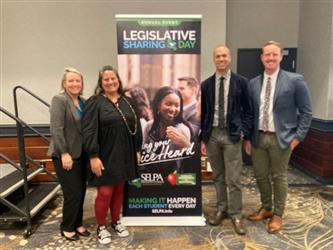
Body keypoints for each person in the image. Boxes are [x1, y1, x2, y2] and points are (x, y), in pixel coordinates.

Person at [245, 41, 312, 233]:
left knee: (279, 176)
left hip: (281, 139)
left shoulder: (295, 80)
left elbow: (307, 112)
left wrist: (298, 138)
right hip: (258, 138)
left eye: (275, 54)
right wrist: (248, 138)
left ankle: (278, 215)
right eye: (267, 54)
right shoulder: (253, 83)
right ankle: (266, 208)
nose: (271, 58)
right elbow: (250, 113)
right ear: (262, 58)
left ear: (281, 57)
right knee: (259, 175)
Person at [82, 65, 142, 245]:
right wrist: (93, 155)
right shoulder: (94, 102)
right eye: (106, 79)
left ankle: (116, 222)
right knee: (105, 192)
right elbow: (89, 130)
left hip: (125, 154)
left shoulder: (127, 101)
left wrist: (137, 149)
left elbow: (136, 126)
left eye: (113, 78)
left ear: (118, 80)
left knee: (119, 190)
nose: (110, 82)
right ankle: (101, 226)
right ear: (101, 83)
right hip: (104, 154)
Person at [200, 45, 253, 235]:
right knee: (218, 175)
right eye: (218, 56)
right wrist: (202, 139)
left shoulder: (241, 82)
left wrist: (244, 133)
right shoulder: (206, 84)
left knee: (234, 178)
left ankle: (236, 214)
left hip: (232, 135)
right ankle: (222, 209)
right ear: (214, 59)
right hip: (212, 134)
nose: (221, 59)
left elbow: (248, 111)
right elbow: (204, 113)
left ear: (229, 58)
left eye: (224, 56)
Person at [47, 67, 89, 241]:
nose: (74, 84)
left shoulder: (84, 101)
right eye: (70, 81)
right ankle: (67, 226)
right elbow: (56, 129)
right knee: (72, 192)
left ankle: (78, 223)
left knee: (81, 190)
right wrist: (64, 153)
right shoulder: (59, 100)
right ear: (64, 84)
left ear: (82, 83)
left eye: (77, 81)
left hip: (82, 154)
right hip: (65, 155)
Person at [142, 86, 192, 173]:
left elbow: (188, 163)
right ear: (158, 105)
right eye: (168, 104)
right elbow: (143, 157)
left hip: (175, 181)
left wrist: (185, 145)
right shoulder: (148, 127)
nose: (173, 109)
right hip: (151, 180)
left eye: (177, 105)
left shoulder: (182, 130)